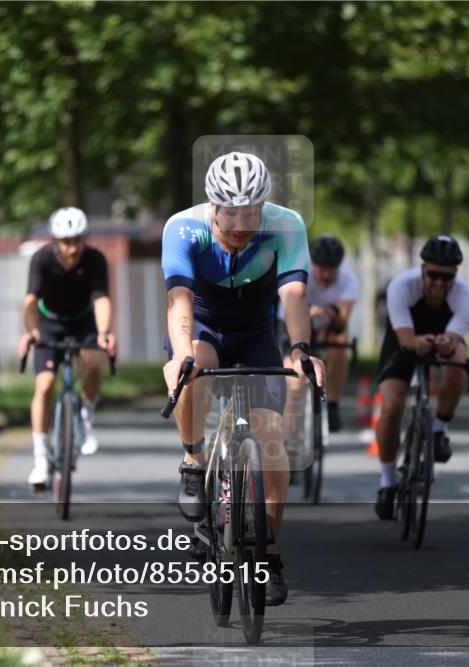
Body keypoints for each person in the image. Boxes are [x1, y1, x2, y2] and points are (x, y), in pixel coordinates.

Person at [161, 151, 326, 606]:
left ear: (263, 206)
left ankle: (269, 553)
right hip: (204, 327)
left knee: (270, 435)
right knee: (194, 368)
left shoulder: (286, 225)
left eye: (250, 213)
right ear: (212, 206)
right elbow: (179, 298)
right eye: (230, 213)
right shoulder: (183, 228)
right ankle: (194, 463)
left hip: (255, 333)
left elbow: (293, 292)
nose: (240, 224)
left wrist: (300, 350)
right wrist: (180, 356)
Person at [373, 235, 469, 520]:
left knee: (458, 365)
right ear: (422, 269)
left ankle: (439, 430)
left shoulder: (466, 296)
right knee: (392, 407)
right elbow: (406, 338)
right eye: (433, 275)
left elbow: (455, 337)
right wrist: (418, 343)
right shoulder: (401, 287)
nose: (440, 284)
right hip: (402, 339)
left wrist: (447, 342)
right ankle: (387, 481)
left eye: (448, 277)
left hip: (443, 337)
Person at [18, 207, 117, 489]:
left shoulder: (95, 259)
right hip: (49, 323)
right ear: (54, 240)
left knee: (95, 361)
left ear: (85, 239)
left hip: (83, 322)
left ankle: (86, 414)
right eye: (65, 241)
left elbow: (101, 300)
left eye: (77, 240)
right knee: (45, 384)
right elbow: (30, 302)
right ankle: (40, 460)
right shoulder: (41, 259)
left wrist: (105, 332)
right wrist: (32, 333)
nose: (72, 248)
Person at [277, 234, 358, 437]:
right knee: (295, 384)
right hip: (292, 326)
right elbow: (289, 313)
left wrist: (332, 313)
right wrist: (309, 313)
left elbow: (342, 320)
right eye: (321, 267)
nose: (326, 274)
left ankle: (332, 404)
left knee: (340, 342)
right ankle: (290, 443)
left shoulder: (348, 279)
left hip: (325, 327)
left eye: (331, 268)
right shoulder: (301, 274)